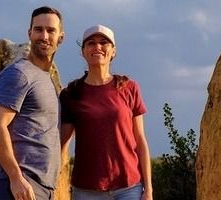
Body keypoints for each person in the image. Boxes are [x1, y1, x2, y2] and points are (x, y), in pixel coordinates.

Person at [59, 24, 153, 200]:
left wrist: (148, 189)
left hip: (129, 187)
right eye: (91, 43)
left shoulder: (129, 88)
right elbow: (61, 142)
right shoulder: (71, 93)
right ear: (83, 51)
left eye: (104, 42)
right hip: (86, 190)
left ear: (113, 51)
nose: (97, 47)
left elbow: (140, 140)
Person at [0, 6, 65, 200]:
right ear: (29, 34)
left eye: (50, 30)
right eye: (38, 30)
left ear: (60, 37)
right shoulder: (19, 74)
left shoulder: (46, 79)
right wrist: (15, 178)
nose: (44, 36)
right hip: (20, 186)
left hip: (41, 187)